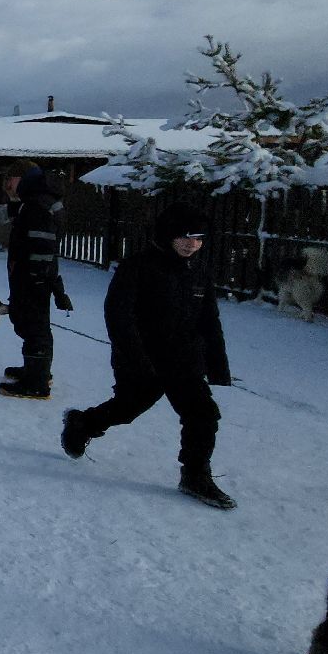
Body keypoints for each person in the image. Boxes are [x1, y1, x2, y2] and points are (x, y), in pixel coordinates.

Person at [62, 203, 236, 510]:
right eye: (184, 236)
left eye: (198, 237)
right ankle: (82, 423)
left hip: (184, 361)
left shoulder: (199, 272)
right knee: (127, 410)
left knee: (203, 414)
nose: (192, 244)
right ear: (168, 235)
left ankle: (195, 475)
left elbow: (209, 319)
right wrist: (136, 360)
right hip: (143, 359)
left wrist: (217, 363)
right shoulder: (138, 267)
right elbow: (119, 316)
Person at [0, 163, 72, 400]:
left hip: (34, 276)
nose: (8, 184)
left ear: (22, 177)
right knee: (30, 323)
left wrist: (36, 277)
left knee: (34, 326)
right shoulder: (36, 198)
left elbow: (42, 242)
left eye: (11, 179)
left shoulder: (39, 203)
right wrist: (13, 199)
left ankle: (37, 382)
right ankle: (35, 370)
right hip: (31, 274)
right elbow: (20, 224)